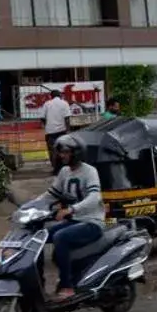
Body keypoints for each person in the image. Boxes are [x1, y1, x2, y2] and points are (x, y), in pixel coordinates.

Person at [44, 135, 104, 300]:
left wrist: (71, 209)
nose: (62, 156)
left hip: (91, 222)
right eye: (60, 153)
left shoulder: (90, 171)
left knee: (60, 237)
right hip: (73, 221)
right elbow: (50, 195)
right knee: (38, 235)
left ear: (76, 153)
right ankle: (38, 284)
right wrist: (28, 208)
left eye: (65, 152)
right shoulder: (64, 172)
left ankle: (67, 286)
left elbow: (94, 198)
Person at [41, 88, 74, 154]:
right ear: (60, 95)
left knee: (52, 151)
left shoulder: (46, 104)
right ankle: (62, 163)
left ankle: (54, 163)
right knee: (63, 150)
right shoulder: (65, 103)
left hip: (50, 132)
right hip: (62, 131)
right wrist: (68, 131)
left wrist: (46, 126)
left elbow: (42, 118)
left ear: (51, 96)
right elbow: (67, 118)